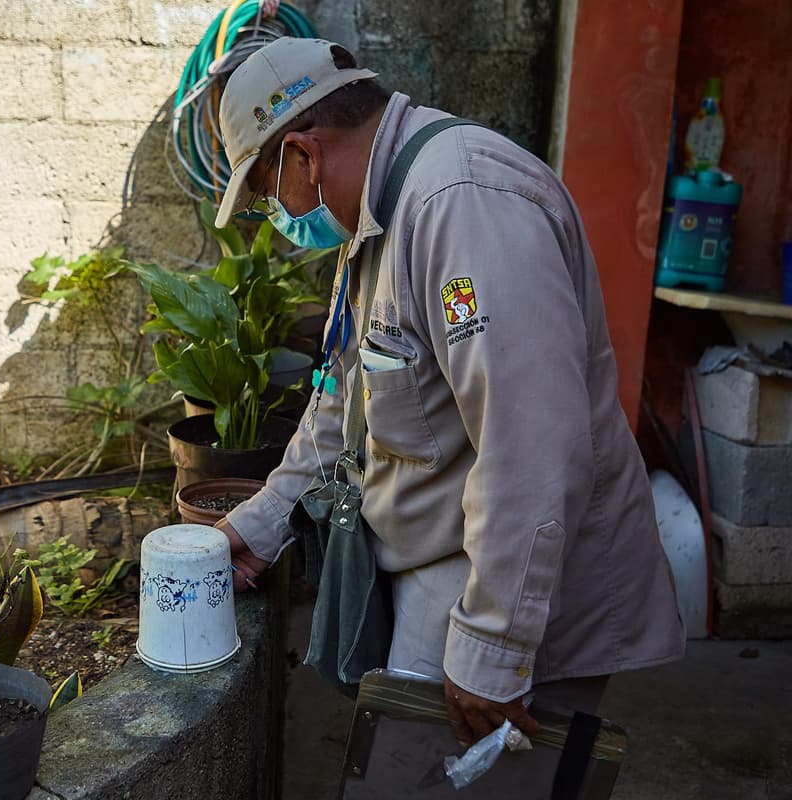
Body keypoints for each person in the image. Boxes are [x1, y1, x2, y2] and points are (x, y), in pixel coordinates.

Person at [212, 36, 685, 751]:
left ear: (303, 155)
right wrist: (268, 518)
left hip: (515, 587)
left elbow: (529, 448)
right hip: (450, 563)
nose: (275, 216)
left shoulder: (464, 206)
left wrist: (492, 648)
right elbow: (348, 395)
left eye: (264, 194)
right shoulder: (380, 207)